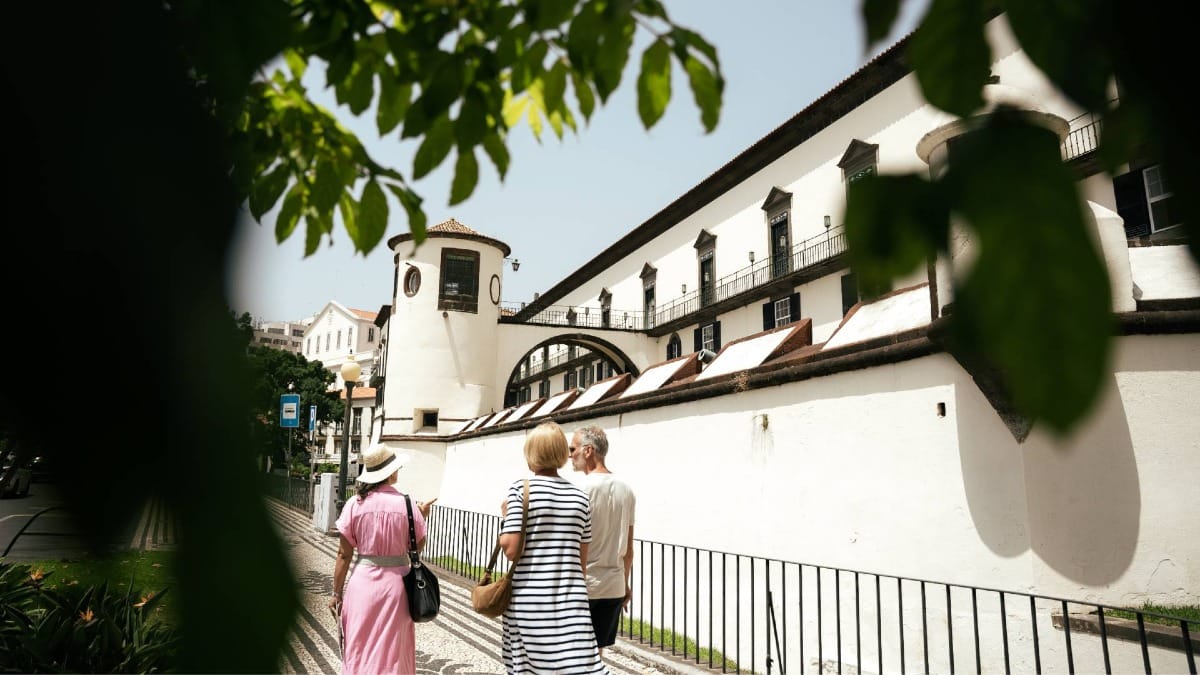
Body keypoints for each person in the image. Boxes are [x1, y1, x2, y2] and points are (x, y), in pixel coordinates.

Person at [498, 421, 608, 674]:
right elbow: (581, 560)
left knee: (530, 667)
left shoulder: (522, 490)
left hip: (530, 599)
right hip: (572, 599)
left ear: (532, 452)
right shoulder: (580, 497)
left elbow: (511, 549)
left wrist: (506, 519)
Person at [328, 443, 433, 675]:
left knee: (359, 646)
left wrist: (336, 593)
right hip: (398, 587)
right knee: (394, 650)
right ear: (391, 472)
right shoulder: (407, 504)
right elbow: (416, 547)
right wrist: (421, 516)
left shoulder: (354, 504)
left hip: (362, 585)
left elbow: (344, 554)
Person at [570, 425, 636, 658]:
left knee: (572, 655)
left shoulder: (579, 490)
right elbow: (629, 548)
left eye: (573, 449)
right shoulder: (626, 490)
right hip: (613, 586)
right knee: (595, 656)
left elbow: (573, 542)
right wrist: (626, 584)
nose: (570, 455)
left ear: (588, 451)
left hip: (583, 586)